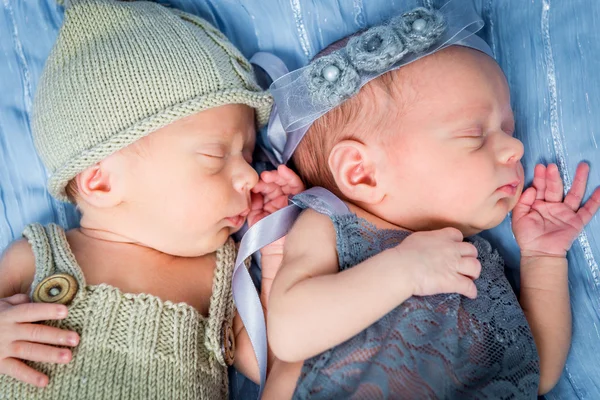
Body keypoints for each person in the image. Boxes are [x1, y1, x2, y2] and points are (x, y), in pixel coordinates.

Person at [261, 4, 600, 399]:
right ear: (361, 173)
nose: (515, 146)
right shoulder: (334, 226)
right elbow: (290, 334)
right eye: (475, 134)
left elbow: (534, 370)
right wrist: (403, 271)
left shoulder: (477, 262)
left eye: (508, 128)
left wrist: (543, 258)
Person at [0, 0, 303, 398]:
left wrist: (280, 249)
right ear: (102, 182)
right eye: (215, 156)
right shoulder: (37, 259)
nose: (250, 174)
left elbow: (277, 360)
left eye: (247, 155)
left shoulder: (224, 275)